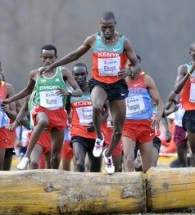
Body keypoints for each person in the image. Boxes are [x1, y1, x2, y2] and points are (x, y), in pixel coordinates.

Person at [40, 12, 140, 174]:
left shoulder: (123, 41)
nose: (106, 31)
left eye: (110, 27)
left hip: (117, 85)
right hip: (100, 83)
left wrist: (128, 72)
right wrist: (53, 65)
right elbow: (74, 55)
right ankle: (99, 138)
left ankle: (107, 154)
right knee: (96, 107)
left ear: (115, 25)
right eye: (103, 27)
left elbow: (136, 65)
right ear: (99, 26)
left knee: (119, 130)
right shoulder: (93, 40)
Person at [2, 44, 82, 169]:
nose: (48, 60)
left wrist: (69, 92)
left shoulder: (63, 72)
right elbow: (27, 91)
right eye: (45, 57)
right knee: (43, 120)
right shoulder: (35, 74)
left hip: (58, 113)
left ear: (56, 57)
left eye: (51, 57)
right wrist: (10, 99)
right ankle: (26, 156)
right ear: (41, 57)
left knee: (55, 157)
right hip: (42, 110)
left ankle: (54, 179)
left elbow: (79, 91)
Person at [122, 55, 164, 172]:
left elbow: (160, 103)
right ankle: (130, 187)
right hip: (128, 125)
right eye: (130, 65)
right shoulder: (120, 81)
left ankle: (146, 187)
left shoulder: (146, 79)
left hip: (145, 125)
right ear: (125, 65)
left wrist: (158, 117)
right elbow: (111, 102)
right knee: (129, 159)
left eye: (135, 66)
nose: (132, 69)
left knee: (148, 168)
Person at [67, 63, 106, 172]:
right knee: (79, 163)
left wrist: (98, 123)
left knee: (95, 169)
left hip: (96, 134)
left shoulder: (95, 90)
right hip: (78, 133)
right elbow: (66, 110)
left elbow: (107, 110)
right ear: (72, 76)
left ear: (87, 74)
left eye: (82, 74)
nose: (80, 77)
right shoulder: (70, 93)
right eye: (76, 74)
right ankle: (78, 188)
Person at [9, 92, 52, 169]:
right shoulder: (30, 95)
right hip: (37, 135)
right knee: (34, 162)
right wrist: (15, 123)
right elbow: (24, 109)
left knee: (51, 165)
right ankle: (31, 179)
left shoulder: (53, 94)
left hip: (52, 134)